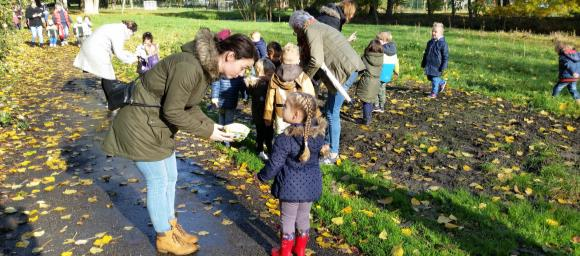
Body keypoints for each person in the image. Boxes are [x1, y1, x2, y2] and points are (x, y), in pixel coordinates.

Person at [102, 28, 257, 255]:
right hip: (141, 127)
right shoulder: (189, 67)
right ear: (230, 56)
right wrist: (208, 133)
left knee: (171, 177)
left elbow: (189, 106)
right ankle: (164, 236)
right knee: (157, 180)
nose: (241, 73)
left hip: (157, 127)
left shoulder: (203, 69)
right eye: (243, 67)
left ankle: (172, 227)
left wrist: (214, 126)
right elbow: (174, 111)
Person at [257, 92, 327, 256]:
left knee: (287, 219)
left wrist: (262, 176)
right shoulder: (318, 136)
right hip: (310, 186)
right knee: (303, 217)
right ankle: (300, 250)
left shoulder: (284, 139)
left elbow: (275, 164)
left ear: (295, 115)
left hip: (290, 188)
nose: (282, 108)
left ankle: (285, 252)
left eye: (285, 106)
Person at [290, 10, 365, 164]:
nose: (296, 34)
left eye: (295, 31)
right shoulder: (317, 26)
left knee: (332, 113)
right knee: (330, 110)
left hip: (344, 71)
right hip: (344, 70)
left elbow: (316, 60)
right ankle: (327, 146)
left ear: (299, 26)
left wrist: (303, 78)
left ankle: (333, 153)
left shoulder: (311, 30)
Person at [73, 20, 139, 104]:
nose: (130, 37)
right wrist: (133, 60)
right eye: (132, 34)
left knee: (106, 75)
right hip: (95, 50)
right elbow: (119, 54)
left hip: (91, 47)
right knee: (109, 77)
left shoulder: (117, 27)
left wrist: (132, 55)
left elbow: (117, 51)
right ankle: (112, 102)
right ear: (129, 30)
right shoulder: (119, 32)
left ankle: (110, 101)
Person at [264, 43, 316, 135]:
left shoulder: (275, 77)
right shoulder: (303, 77)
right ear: (298, 60)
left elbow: (269, 98)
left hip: (280, 114)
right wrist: (311, 117)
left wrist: (267, 115)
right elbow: (310, 97)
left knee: (280, 136)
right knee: (297, 136)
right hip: (298, 115)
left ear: (281, 59)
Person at [246, 58, 276, 160]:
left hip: (268, 113)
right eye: (269, 75)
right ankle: (260, 149)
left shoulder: (268, 83)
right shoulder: (259, 84)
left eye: (272, 74)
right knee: (261, 132)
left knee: (269, 132)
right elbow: (256, 95)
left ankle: (269, 147)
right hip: (260, 114)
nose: (271, 77)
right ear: (261, 74)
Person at [355, 40, 383, 125]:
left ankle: (366, 120)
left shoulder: (365, 57)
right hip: (377, 81)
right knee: (370, 100)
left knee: (366, 102)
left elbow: (359, 68)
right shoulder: (381, 57)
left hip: (367, 81)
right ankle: (369, 118)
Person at [421, 22, 449, 99]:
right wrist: (423, 62)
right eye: (433, 31)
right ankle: (442, 82)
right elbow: (426, 53)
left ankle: (434, 93)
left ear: (440, 33)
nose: (433, 33)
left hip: (437, 65)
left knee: (434, 79)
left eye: (435, 32)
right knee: (430, 77)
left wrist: (444, 66)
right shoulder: (430, 42)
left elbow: (445, 56)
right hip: (429, 64)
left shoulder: (443, 44)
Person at [376, 31, 399, 113]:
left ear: (384, 40)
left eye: (378, 39)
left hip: (380, 71)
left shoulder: (381, 49)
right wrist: (396, 70)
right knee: (382, 89)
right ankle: (382, 106)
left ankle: (376, 105)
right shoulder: (393, 50)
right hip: (387, 72)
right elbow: (396, 61)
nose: (376, 41)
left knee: (375, 89)